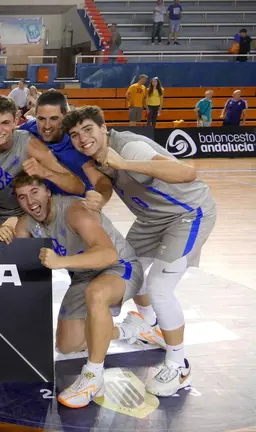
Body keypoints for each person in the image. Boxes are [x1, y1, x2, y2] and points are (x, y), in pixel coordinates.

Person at [64, 105, 217, 397]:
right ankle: (149, 323)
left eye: (88, 129)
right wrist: (101, 198)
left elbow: (187, 172)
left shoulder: (130, 148)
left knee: (159, 286)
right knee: (128, 268)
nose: (82, 138)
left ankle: (179, 365)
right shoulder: (93, 157)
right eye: (74, 134)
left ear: (103, 128)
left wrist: (124, 163)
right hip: (151, 220)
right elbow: (105, 185)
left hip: (188, 213)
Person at [10, 172, 150, 408]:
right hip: (83, 276)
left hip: (119, 266)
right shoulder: (27, 222)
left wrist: (60, 262)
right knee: (66, 345)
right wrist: (5, 232)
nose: (30, 201)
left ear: (48, 191)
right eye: (22, 197)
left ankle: (93, 376)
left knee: (96, 294)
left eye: (34, 192)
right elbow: (20, 258)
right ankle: (131, 330)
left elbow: (108, 254)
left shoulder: (75, 210)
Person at [0, 95, 85, 239]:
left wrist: (45, 172)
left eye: (5, 123)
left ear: (16, 121)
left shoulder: (29, 144)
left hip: (28, 215)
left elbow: (78, 187)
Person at [17, 90, 112, 202]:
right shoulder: (29, 129)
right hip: (42, 204)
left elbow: (100, 180)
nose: (47, 126)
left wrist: (101, 198)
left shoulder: (78, 141)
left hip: (77, 202)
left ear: (65, 117)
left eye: (54, 118)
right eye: (41, 119)